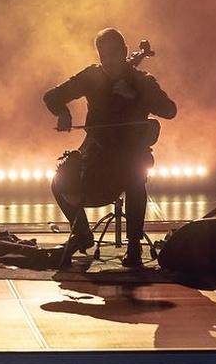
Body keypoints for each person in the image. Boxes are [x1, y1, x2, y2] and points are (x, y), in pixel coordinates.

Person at [44, 28, 177, 267]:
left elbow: (169, 110)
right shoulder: (91, 77)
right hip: (95, 151)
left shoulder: (141, 80)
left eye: (113, 55)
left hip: (130, 154)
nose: (108, 62)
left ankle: (134, 245)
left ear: (124, 52)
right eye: (103, 56)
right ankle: (82, 235)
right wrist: (63, 112)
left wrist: (134, 96)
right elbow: (52, 97)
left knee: (136, 178)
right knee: (59, 182)